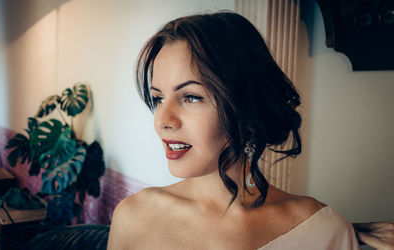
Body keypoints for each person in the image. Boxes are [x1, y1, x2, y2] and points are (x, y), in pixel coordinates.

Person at [108, 11, 360, 249]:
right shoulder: (133, 218)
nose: (162, 119)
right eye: (158, 98)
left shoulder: (323, 229)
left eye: (191, 97)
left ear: (246, 106)